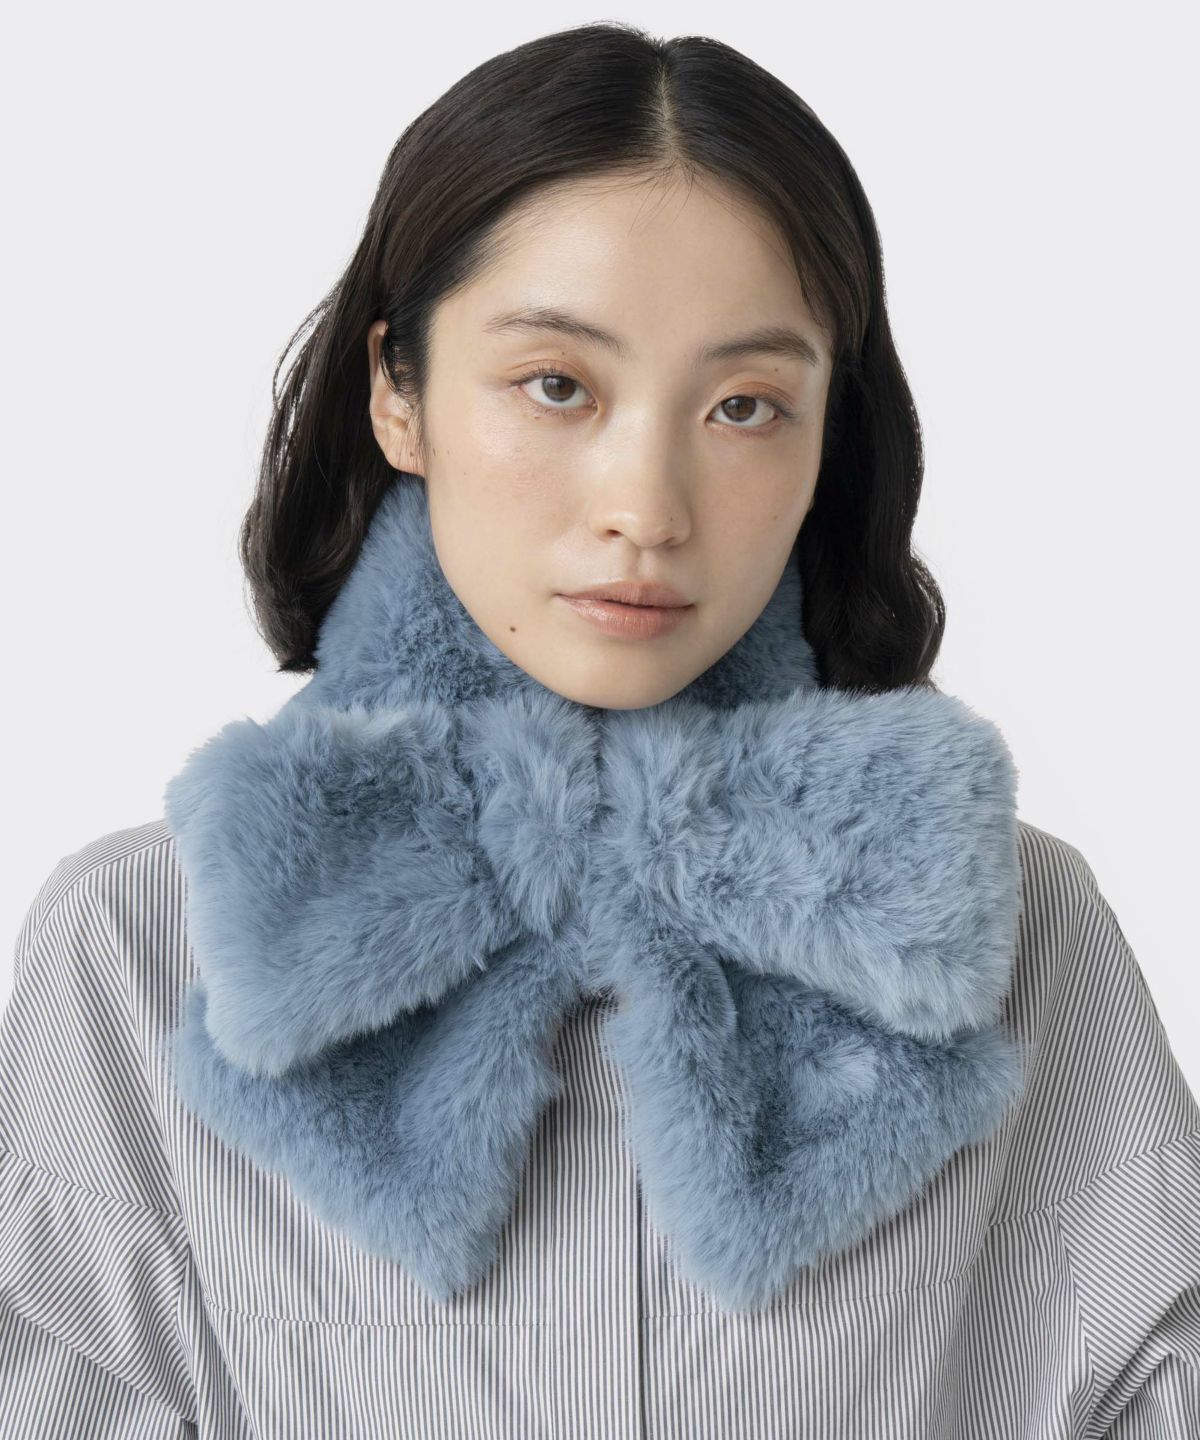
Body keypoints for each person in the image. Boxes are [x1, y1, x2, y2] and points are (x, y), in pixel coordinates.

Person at [2, 21, 1197, 1439]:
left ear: (829, 436)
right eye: (557, 384)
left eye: (745, 405)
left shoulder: (1014, 928)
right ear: (397, 392)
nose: (648, 505)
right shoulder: (141, 944)